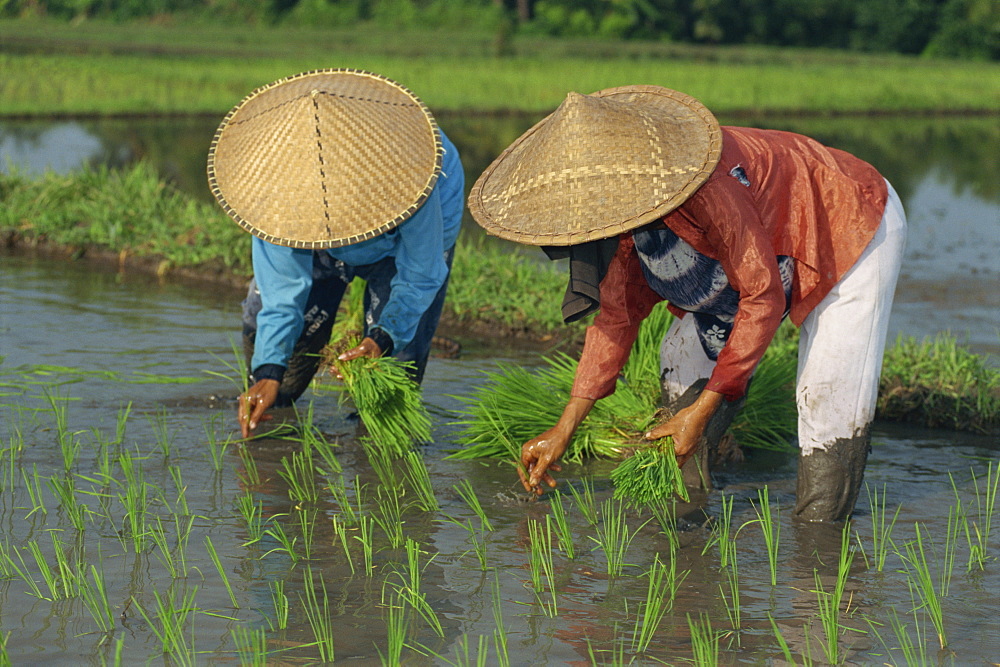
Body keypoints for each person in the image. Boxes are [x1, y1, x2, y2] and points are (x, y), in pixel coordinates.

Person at [467, 85, 906, 522]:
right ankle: (689, 514)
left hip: (849, 222)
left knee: (825, 401)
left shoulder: (709, 185)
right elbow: (616, 319)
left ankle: (821, 549)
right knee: (678, 359)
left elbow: (761, 296)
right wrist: (564, 428)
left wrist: (707, 405)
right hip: (759, 257)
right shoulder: (618, 219)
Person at [207, 69, 464, 438]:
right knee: (281, 377)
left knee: (387, 390)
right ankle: (273, 393)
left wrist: (384, 336)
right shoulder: (278, 195)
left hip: (399, 248)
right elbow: (281, 295)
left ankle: (375, 442)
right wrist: (268, 371)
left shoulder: (416, 176)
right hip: (315, 246)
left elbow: (420, 272)